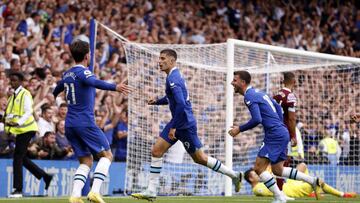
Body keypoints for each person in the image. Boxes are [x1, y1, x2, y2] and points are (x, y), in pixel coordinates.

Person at [131, 49, 242, 201]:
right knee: (156, 151)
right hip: (178, 121)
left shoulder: (173, 79)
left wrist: (174, 128)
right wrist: (157, 101)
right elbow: (174, 99)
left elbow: (182, 104)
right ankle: (151, 191)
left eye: (163, 58)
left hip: (184, 124)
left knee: (200, 159)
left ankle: (234, 175)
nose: (159, 61)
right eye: (159, 58)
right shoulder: (172, 76)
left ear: (172, 61)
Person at [53, 40, 131, 203]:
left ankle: (75, 196)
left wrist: (58, 101)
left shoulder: (67, 74)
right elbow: (94, 82)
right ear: (87, 56)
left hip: (70, 124)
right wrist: (115, 87)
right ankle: (94, 191)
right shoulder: (84, 73)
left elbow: (56, 90)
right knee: (107, 155)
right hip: (85, 123)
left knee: (86, 161)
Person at [228, 71, 322, 203]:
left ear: (243, 83)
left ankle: (280, 197)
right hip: (281, 131)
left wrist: (239, 129)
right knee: (278, 170)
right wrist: (278, 123)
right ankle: (312, 181)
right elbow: (277, 107)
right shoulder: (259, 93)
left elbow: (256, 119)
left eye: (235, 80)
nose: (232, 83)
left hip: (275, 134)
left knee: (259, 169)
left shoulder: (249, 96)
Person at [4, 71, 53, 198]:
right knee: (21, 158)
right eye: (11, 80)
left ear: (20, 82)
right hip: (20, 130)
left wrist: (17, 123)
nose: (12, 82)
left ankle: (18, 189)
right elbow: (9, 116)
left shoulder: (25, 94)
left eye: (15, 80)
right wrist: (8, 125)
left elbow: (28, 111)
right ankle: (45, 176)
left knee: (17, 158)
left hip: (27, 128)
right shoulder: (11, 97)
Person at [244, 162, 357, 198]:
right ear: (250, 178)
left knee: (302, 165)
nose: (259, 174)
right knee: (318, 181)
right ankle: (343, 195)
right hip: (293, 190)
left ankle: (312, 192)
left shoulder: (262, 182)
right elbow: (272, 191)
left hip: (289, 184)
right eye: (255, 174)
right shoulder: (257, 189)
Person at [273, 72, 297, 192]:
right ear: (294, 82)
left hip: (274, 130)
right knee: (284, 161)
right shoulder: (290, 96)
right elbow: (292, 118)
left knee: (277, 160)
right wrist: (293, 136)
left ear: (283, 81)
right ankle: (280, 191)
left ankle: (279, 190)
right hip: (284, 131)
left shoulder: (276, 95)